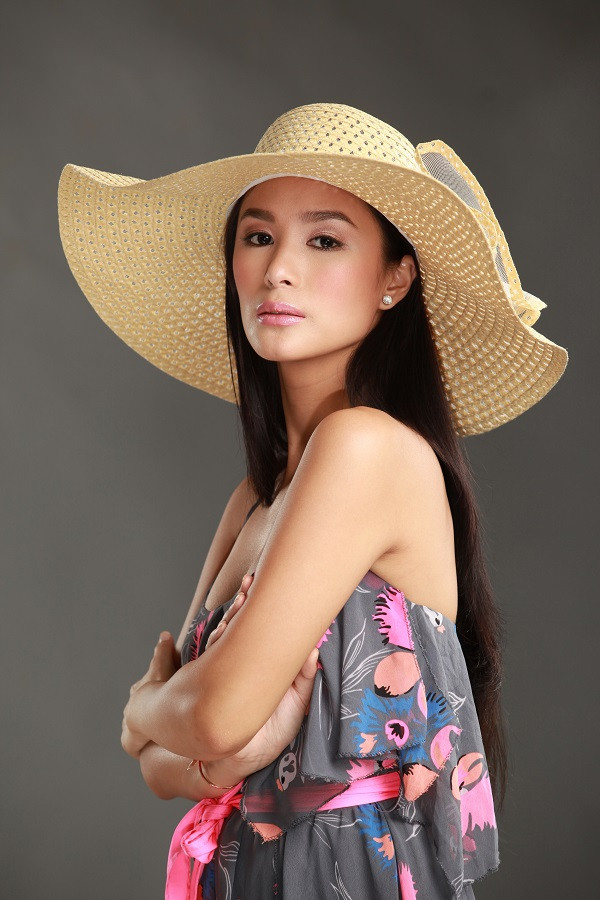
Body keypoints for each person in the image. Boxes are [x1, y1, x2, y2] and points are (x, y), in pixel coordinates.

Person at [57, 102, 568, 898]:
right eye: (258, 236)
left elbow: (207, 719)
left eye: (324, 240)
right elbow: (164, 767)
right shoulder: (254, 502)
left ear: (395, 278)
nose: (278, 269)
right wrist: (205, 742)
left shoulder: (366, 447)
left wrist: (150, 705)